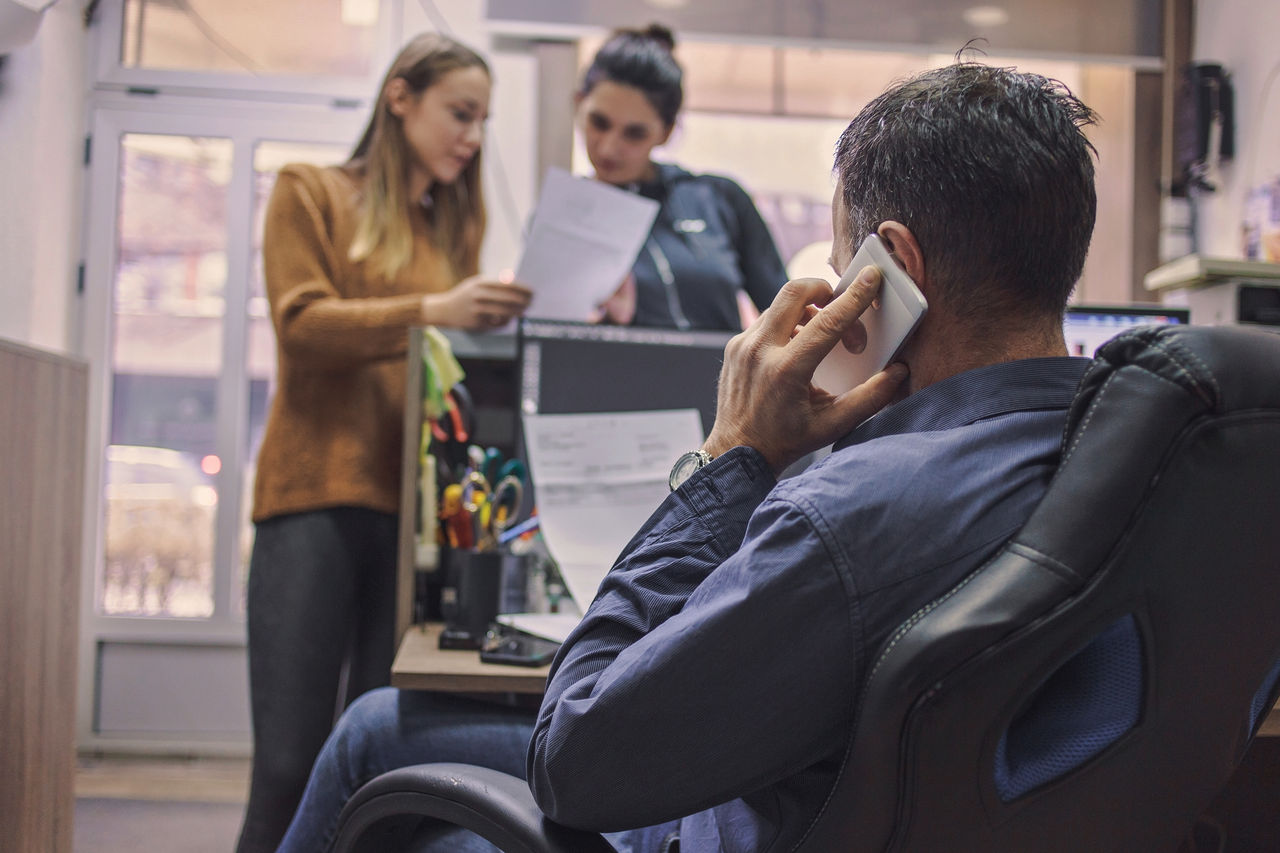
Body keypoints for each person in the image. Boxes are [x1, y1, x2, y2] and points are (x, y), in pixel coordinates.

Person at [272, 61, 1101, 853]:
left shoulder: (848, 515)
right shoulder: (1127, 455)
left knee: (371, 740)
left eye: (849, 260)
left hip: (699, 817)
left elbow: (569, 757)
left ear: (896, 269)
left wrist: (730, 453)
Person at [233, 33, 532, 853]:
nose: (471, 136)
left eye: (482, 120)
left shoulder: (448, 232)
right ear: (400, 97)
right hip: (313, 500)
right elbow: (301, 325)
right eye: (459, 113)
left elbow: (450, 380)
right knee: (291, 764)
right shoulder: (310, 190)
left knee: (380, 776)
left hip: (414, 527)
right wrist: (439, 310)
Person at [578, 24, 788, 331]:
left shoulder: (718, 199)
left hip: (719, 378)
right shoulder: (563, 215)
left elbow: (785, 316)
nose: (609, 147)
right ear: (577, 105)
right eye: (599, 123)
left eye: (634, 133)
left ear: (665, 132)